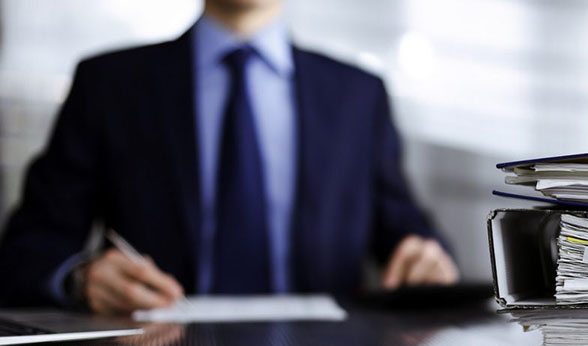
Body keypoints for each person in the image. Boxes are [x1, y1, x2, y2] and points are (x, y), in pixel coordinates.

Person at [0, 0, 458, 314]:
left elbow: (411, 238)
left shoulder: (358, 96)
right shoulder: (109, 85)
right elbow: (27, 251)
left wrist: (428, 261)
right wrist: (80, 279)